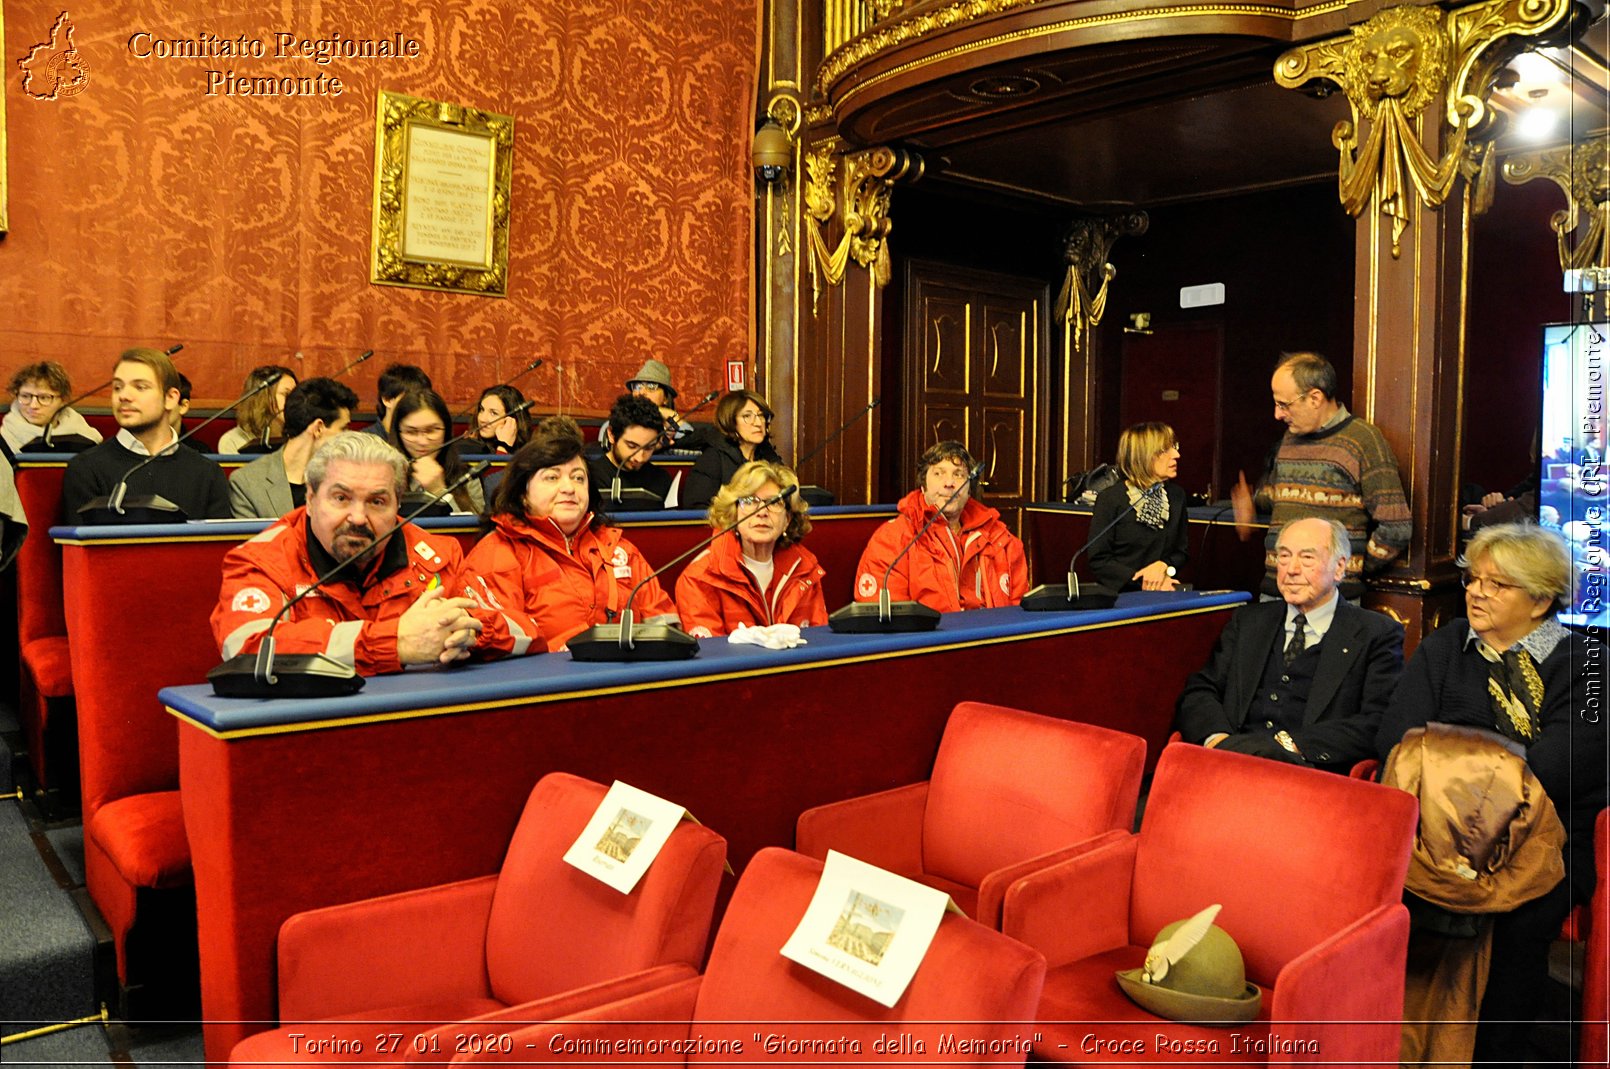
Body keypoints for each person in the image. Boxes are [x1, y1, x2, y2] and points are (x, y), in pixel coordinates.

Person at [1376, 523, 1607, 1064]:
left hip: (1544, 836)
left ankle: (1493, 1052)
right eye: (1473, 579)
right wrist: (1481, 771)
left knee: (1518, 921)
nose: (1476, 592)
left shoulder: (1589, 665)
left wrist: (1450, 762)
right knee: (1382, 897)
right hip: (1428, 830)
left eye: (1497, 585)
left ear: (1542, 599)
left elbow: (1562, 765)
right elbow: (1398, 742)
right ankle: (1395, 1041)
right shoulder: (1444, 646)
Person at [212, 432, 533, 673]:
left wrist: (471, 630)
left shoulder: (438, 553)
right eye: (340, 498)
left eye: (377, 502)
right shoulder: (262, 559)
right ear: (310, 499)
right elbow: (247, 648)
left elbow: (526, 630)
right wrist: (395, 642)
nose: (357, 517)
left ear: (397, 505)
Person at [1174, 517, 1403, 770]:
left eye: (1307, 558)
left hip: (1310, 778)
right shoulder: (1249, 620)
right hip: (1228, 766)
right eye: (1284, 556)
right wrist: (1217, 740)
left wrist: (1286, 745)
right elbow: (1200, 690)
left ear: (1339, 568)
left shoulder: (1376, 633)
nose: (1291, 569)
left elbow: (1377, 722)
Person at [462, 420, 677, 652]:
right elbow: (493, 637)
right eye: (552, 477)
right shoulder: (497, 553)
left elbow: (665, 624)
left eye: (578, 478)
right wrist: (576, 646)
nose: (569, 488)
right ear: (523, 493)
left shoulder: (618, 548)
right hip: (548, 684)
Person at [1231, 351, 1410, 601]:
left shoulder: (1364, 441)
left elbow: (1396, 527)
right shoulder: (1290, 439)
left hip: (1332, 599)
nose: (1277, 414)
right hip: (1275, 592)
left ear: (1315, 398)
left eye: (1284, 404)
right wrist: (1251, 504)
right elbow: (1282, 496)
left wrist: (1347, 569)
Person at [853, 440, 1028, 613]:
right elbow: (888, 619)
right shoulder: (893, 540)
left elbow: (1021, 615)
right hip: (929, 640)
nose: (949, 483)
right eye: (939, 474)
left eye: (958, 474)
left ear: (969, 490)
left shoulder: (1001, 539)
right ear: (923, 486)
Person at [61, 348, 231, 521]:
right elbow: (81, 545)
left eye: (140, 387)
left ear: (171, 398)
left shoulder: (207, 473)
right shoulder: (86, 470)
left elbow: (218, 545)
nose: (124, 396)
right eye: (117, 387)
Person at [675, 460, 826, 636]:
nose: (762, 512)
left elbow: (819, 640)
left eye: (774, 503)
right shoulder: (700, 577)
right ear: (733, 514)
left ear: (787, 520)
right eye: (749, 501)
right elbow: (712, 656)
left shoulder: (805, 570)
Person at [229, 378, 357, 518]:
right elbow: (256, 539)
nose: (348, 437)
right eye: (343, 428)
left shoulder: (349, 478)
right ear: (318, 428)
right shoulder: (248, 483)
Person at [1088, 422, 1188, 591]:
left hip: (1165, 590)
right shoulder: (1111, 499)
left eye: (1174, 447)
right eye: (1165, 450)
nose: (1176, 454)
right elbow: (1099, 560)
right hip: (1122, 595)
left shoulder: (1176, 496)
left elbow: (1181, 552)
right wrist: (1143, 581)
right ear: (1144, 456)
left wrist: (1164, 566)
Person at [388, 389, 484, 514]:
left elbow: (470, 530)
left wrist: (439, 491)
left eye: (431, 430)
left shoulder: (467, 477)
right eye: (411, 432)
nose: (422, 441)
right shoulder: (385, 475)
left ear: (446, 430)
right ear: (398, 433)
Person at [683, 390, 783, 508]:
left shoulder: (769, 457)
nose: (758, 423)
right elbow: (696, 506)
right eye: (747, 416)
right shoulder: (713, 458)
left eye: (761, 416)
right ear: (731, 421)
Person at [588, 393, 674, 507]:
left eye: (649, 448)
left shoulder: (662, 480)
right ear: (611, 435)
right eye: (632, 446)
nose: (639, 457)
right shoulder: (589, 476)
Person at [3, 361, 101, 454]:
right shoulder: (5, 438)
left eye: (44, 398)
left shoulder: (85, 436)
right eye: (25, 396)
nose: (33, 405)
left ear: (63, 400)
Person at [218, 364, 297, 454]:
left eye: (296, 395)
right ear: (263, 397)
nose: (294, 401)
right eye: (286, 394)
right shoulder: (232, 441)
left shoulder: (301, 438)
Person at [625, 358, 694, 447]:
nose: (642, 392)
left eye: (651, 386)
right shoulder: (618, 421)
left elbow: (691, 437)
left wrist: (670, 414)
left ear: (665, 398)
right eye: (637, 386)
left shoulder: (670, 427)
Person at [363, 363, 431, 438]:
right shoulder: (365, 442)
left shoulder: (423, 440)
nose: (417, 405)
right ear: (387, 400)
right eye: (409, 400)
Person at [470, 384, 530, 454]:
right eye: (481, 410)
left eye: (493, 413)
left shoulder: (530, 452)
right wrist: (503, 446)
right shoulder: (469, 448)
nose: (482, 419)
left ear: (512, 420)